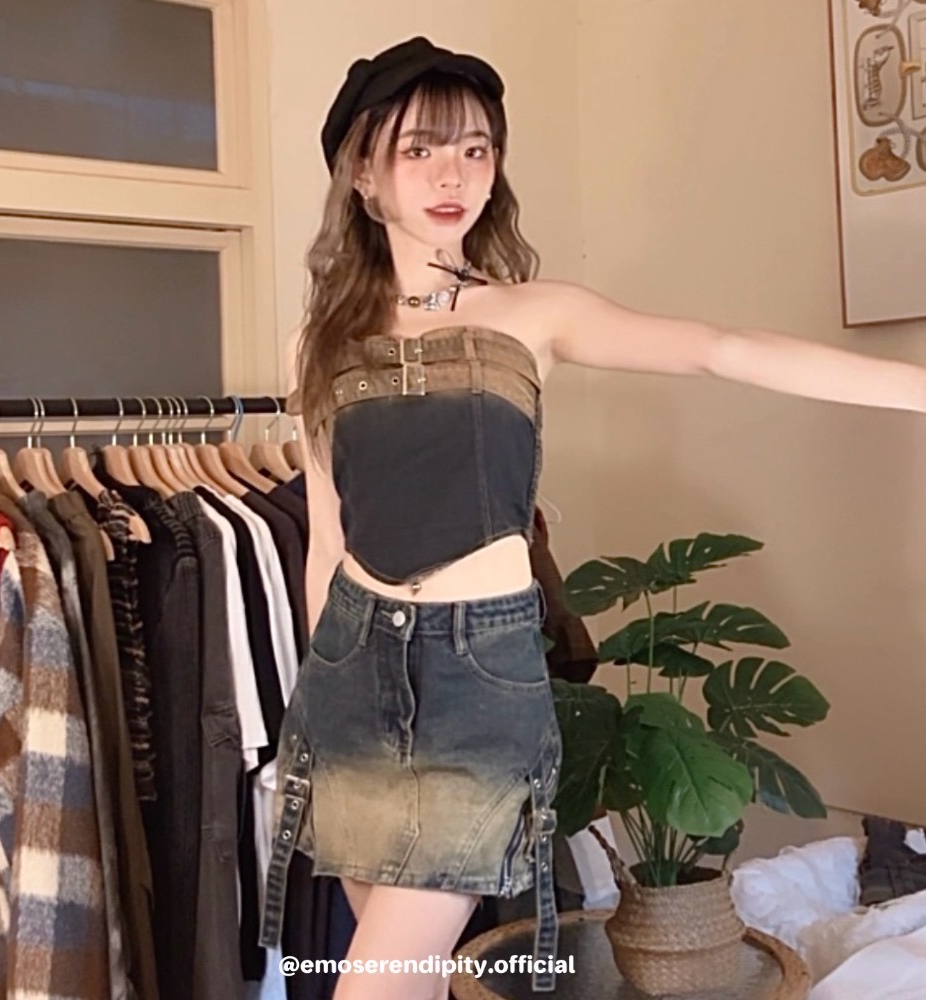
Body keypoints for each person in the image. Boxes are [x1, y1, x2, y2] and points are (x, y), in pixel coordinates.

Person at [259, 36, 926, 1000]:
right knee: (407, 974)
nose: (454, 175)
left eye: (477, 149)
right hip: (349, 672)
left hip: (476, 677)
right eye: (421, 149)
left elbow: (719, 348)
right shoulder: (315, 341)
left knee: (375, 984)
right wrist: (310, 700)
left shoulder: (533, 313)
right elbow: (328, 536)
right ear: (363, 173)